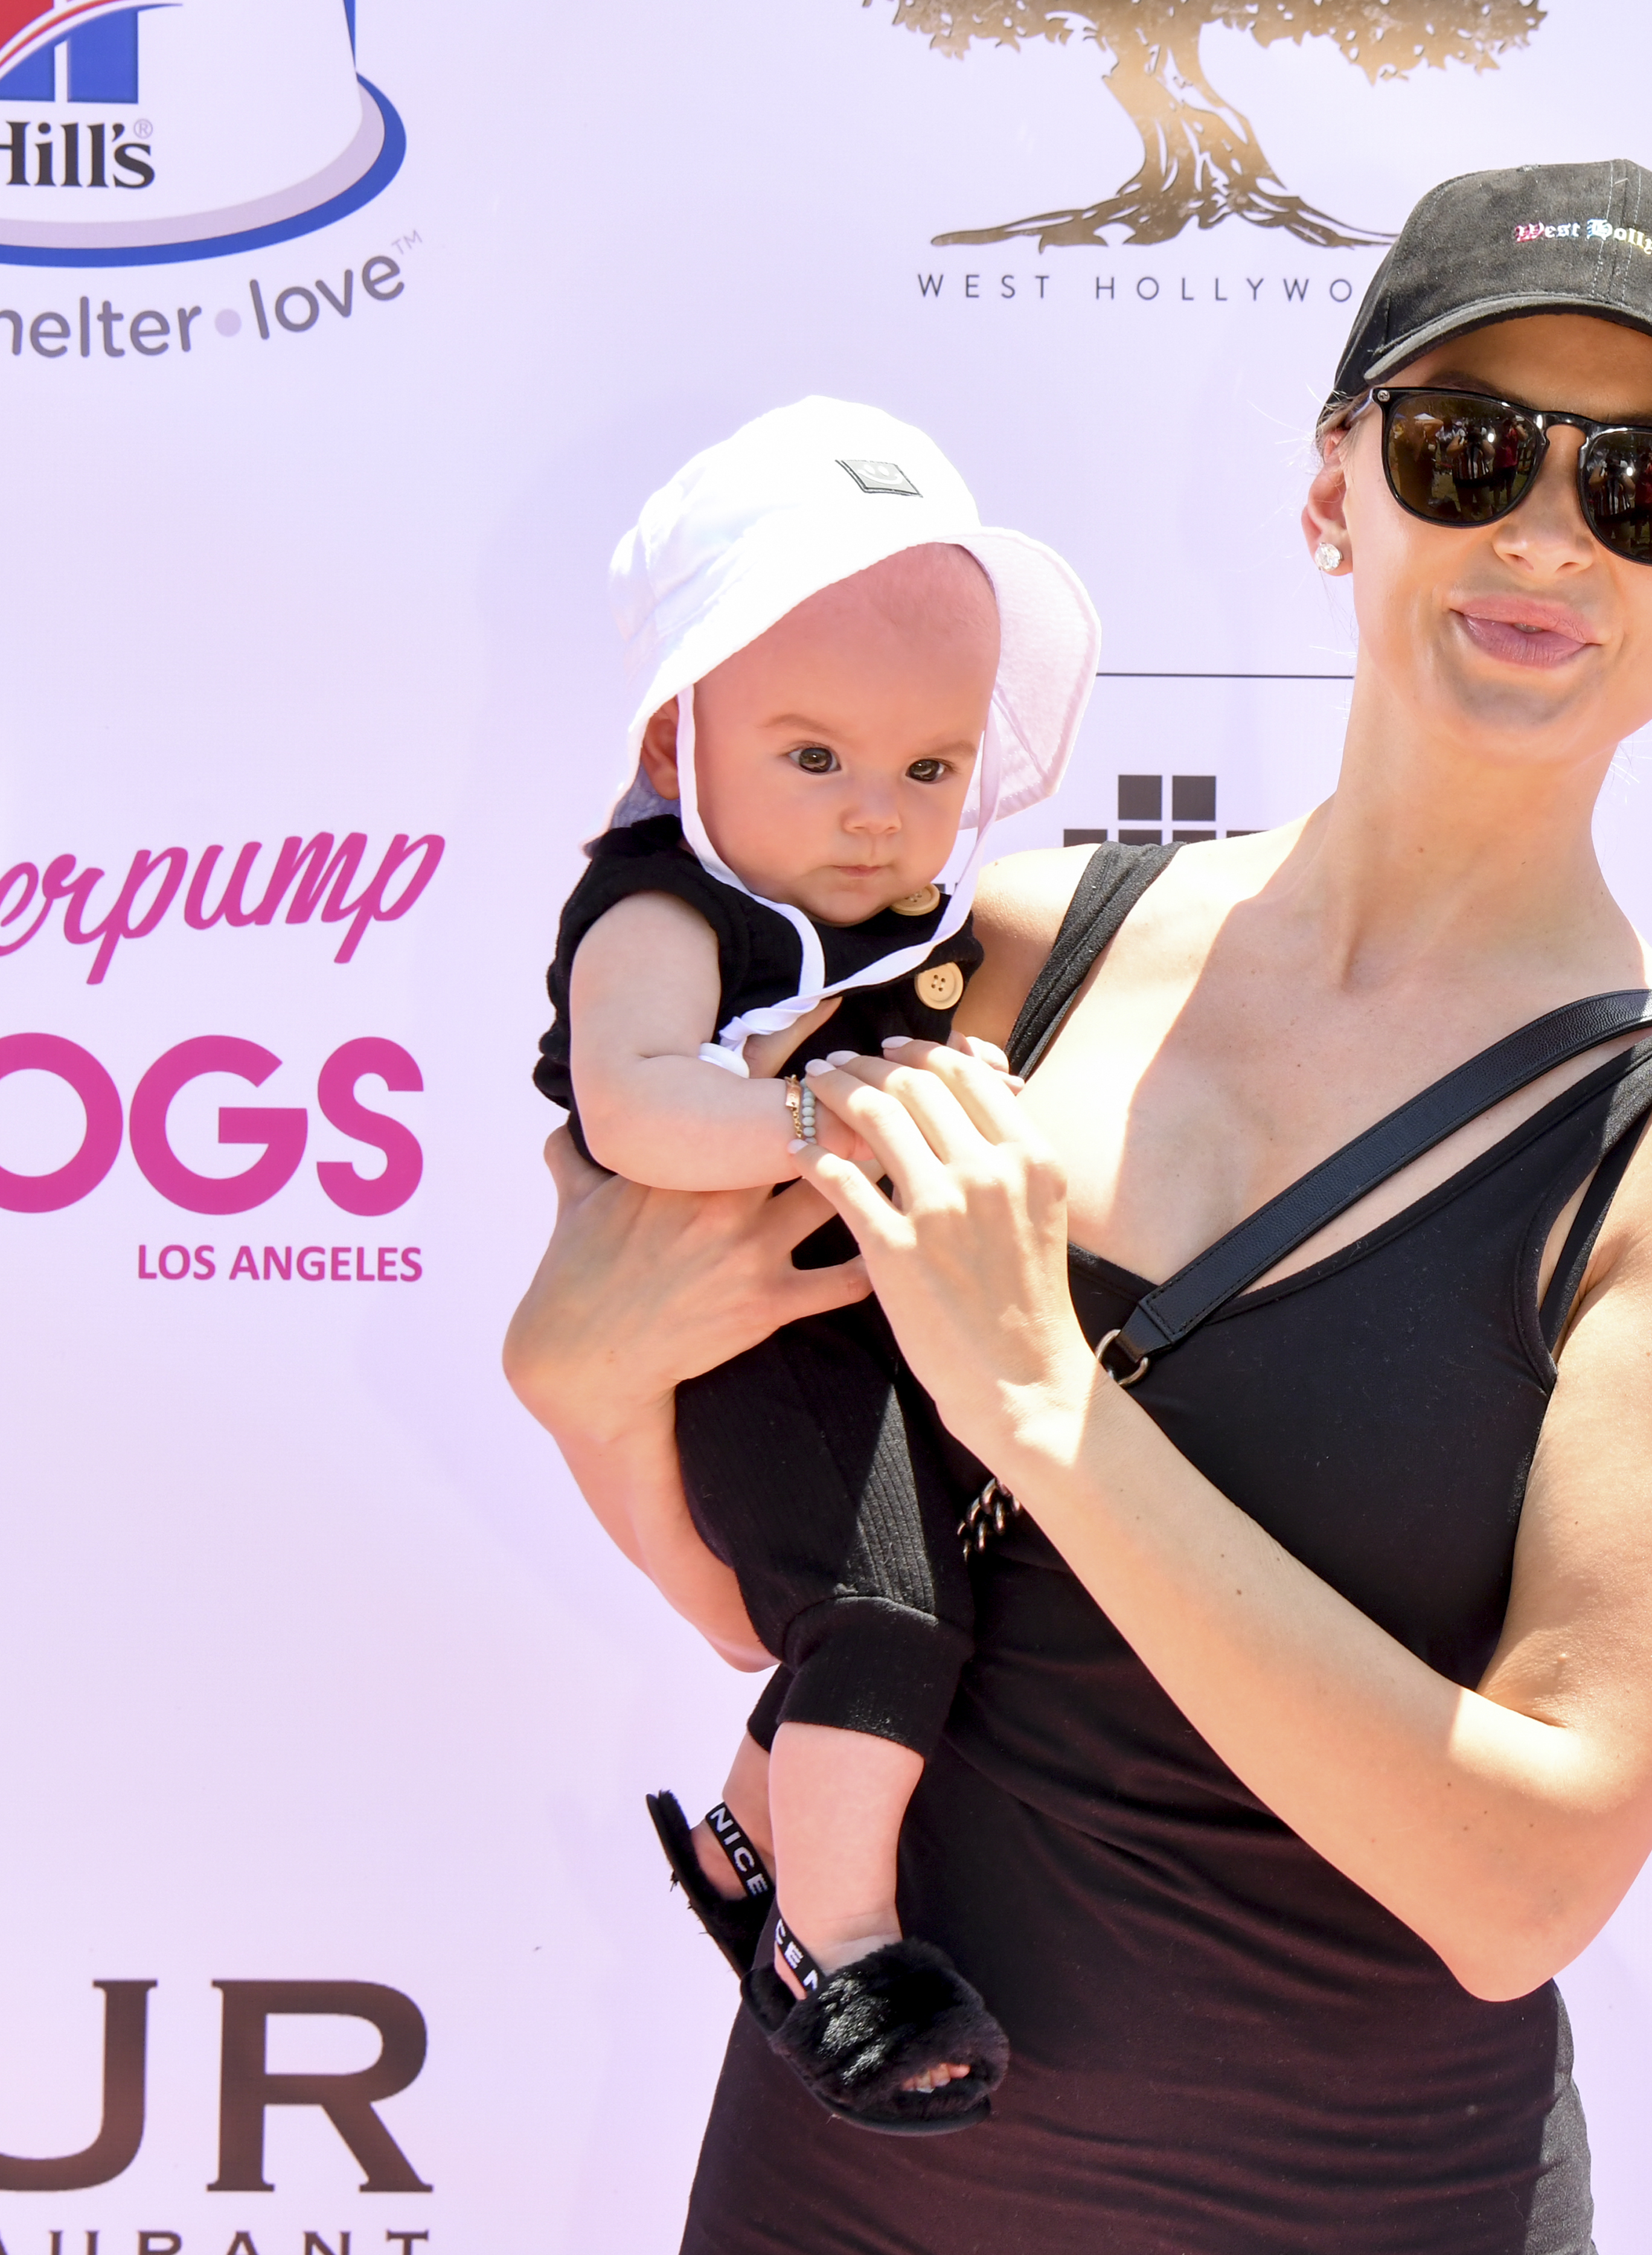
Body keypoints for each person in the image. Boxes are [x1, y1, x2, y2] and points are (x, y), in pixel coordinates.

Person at [507, 161, 1652, 2251]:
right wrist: (585, 1383)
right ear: (1338, 491)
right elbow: (758, 1581)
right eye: (1470, 446)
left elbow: (1524, 1890)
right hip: (848, 2188)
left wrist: (1048, 1398)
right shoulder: (997, 958)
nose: (1542, 537)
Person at [528, 397, 1100, 2131]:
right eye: (815, 758)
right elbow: (630, 1106)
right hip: (745, 1347)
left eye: (930, 772)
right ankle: (836, 1951)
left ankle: (746, 1839)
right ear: (675, 731)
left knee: (920, 1596)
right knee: (884, 1618)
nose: (876, 817)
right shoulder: (661, 910)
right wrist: (820, 1124)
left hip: (850, 1336)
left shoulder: (908, 926)